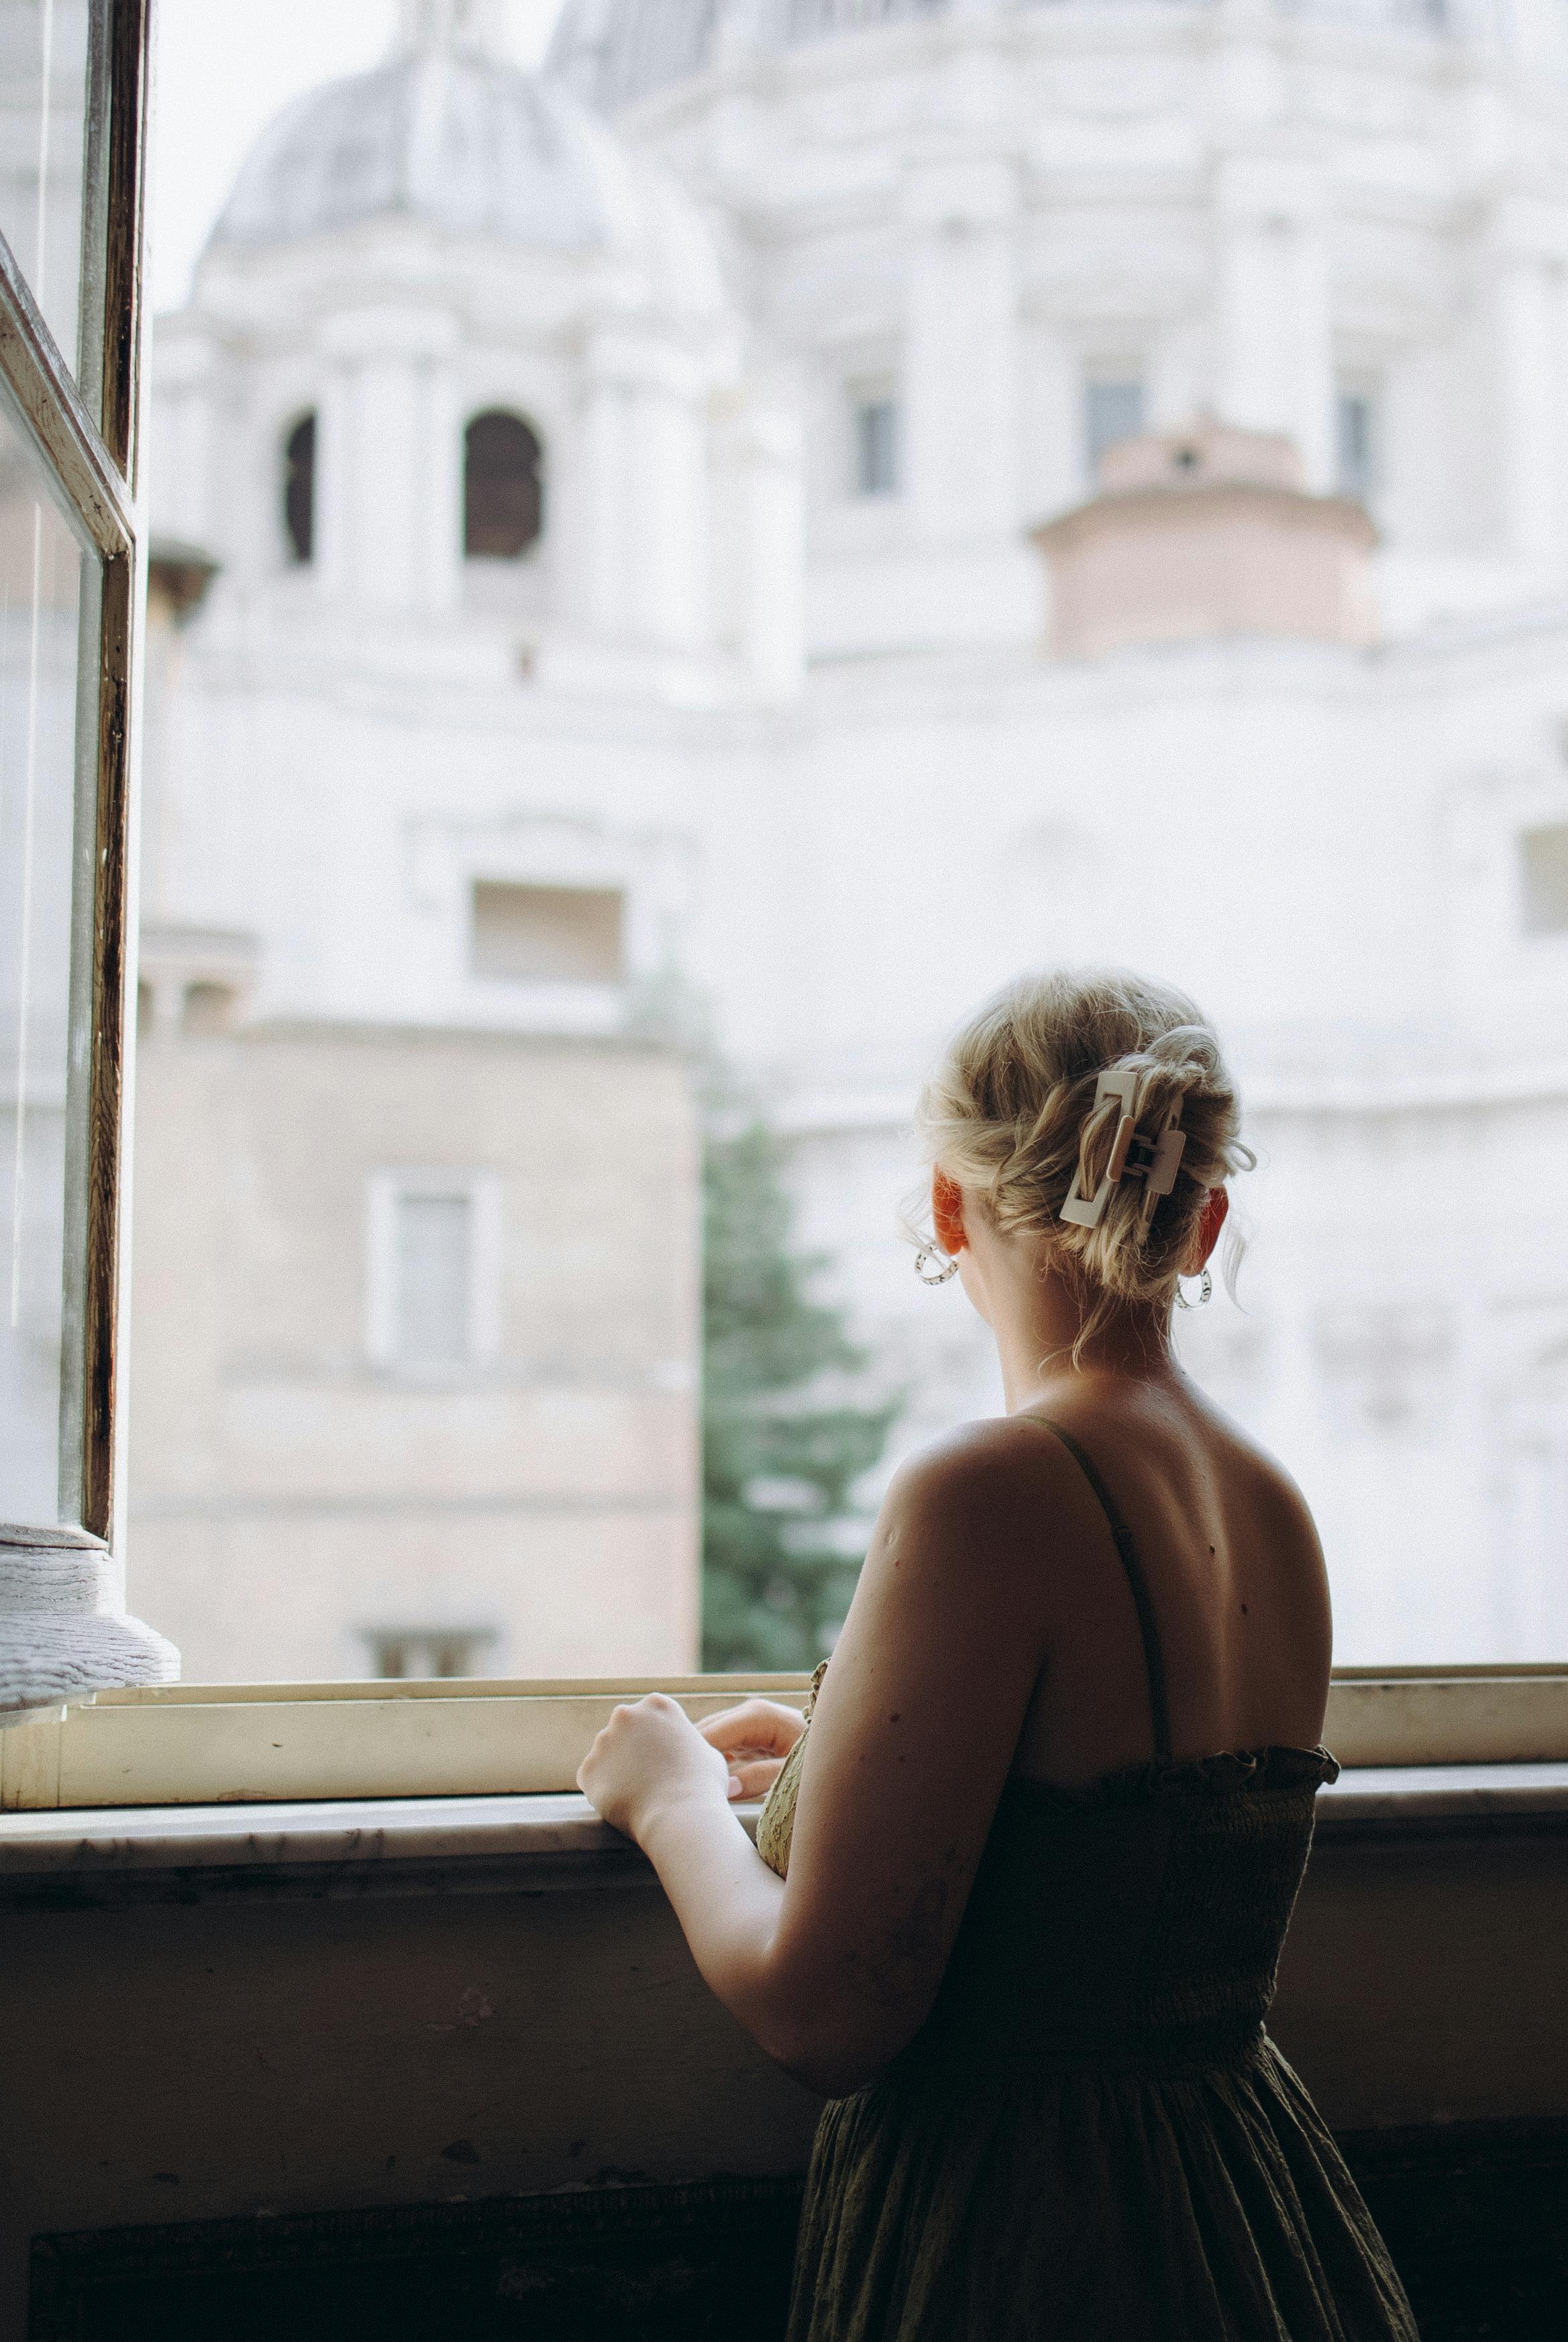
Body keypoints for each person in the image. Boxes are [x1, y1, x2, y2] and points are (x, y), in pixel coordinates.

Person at [578, 968, 1420, 2339]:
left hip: (1033, 2232)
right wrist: (855, 1776)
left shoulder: (988, 1492)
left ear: (948, 1206)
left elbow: (823, 2016)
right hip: (1253, 2219)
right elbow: (1102, 1841)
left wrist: (669, 1796)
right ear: (1203, 1222)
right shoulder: (1272, 1507)